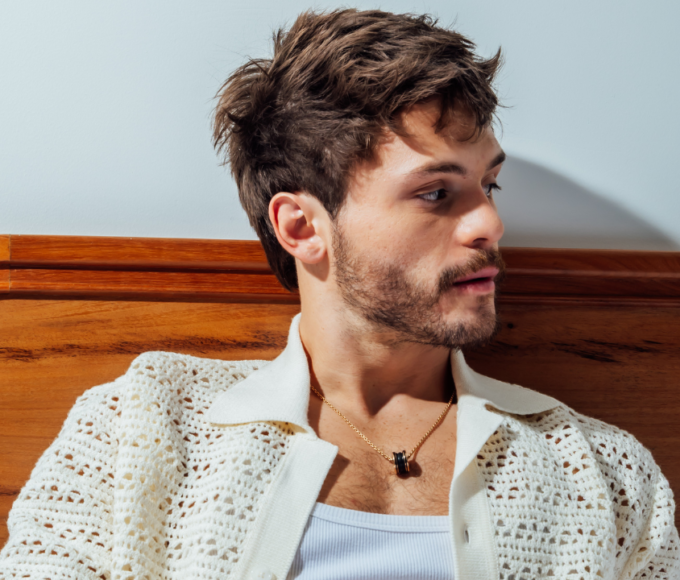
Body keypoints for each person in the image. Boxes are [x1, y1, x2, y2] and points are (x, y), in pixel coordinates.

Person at [1, 8, 678, 580]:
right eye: (436, 193)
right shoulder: (143, 425)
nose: (491, 226)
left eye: (489, 186)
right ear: (302, 227)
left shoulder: (604, 473)